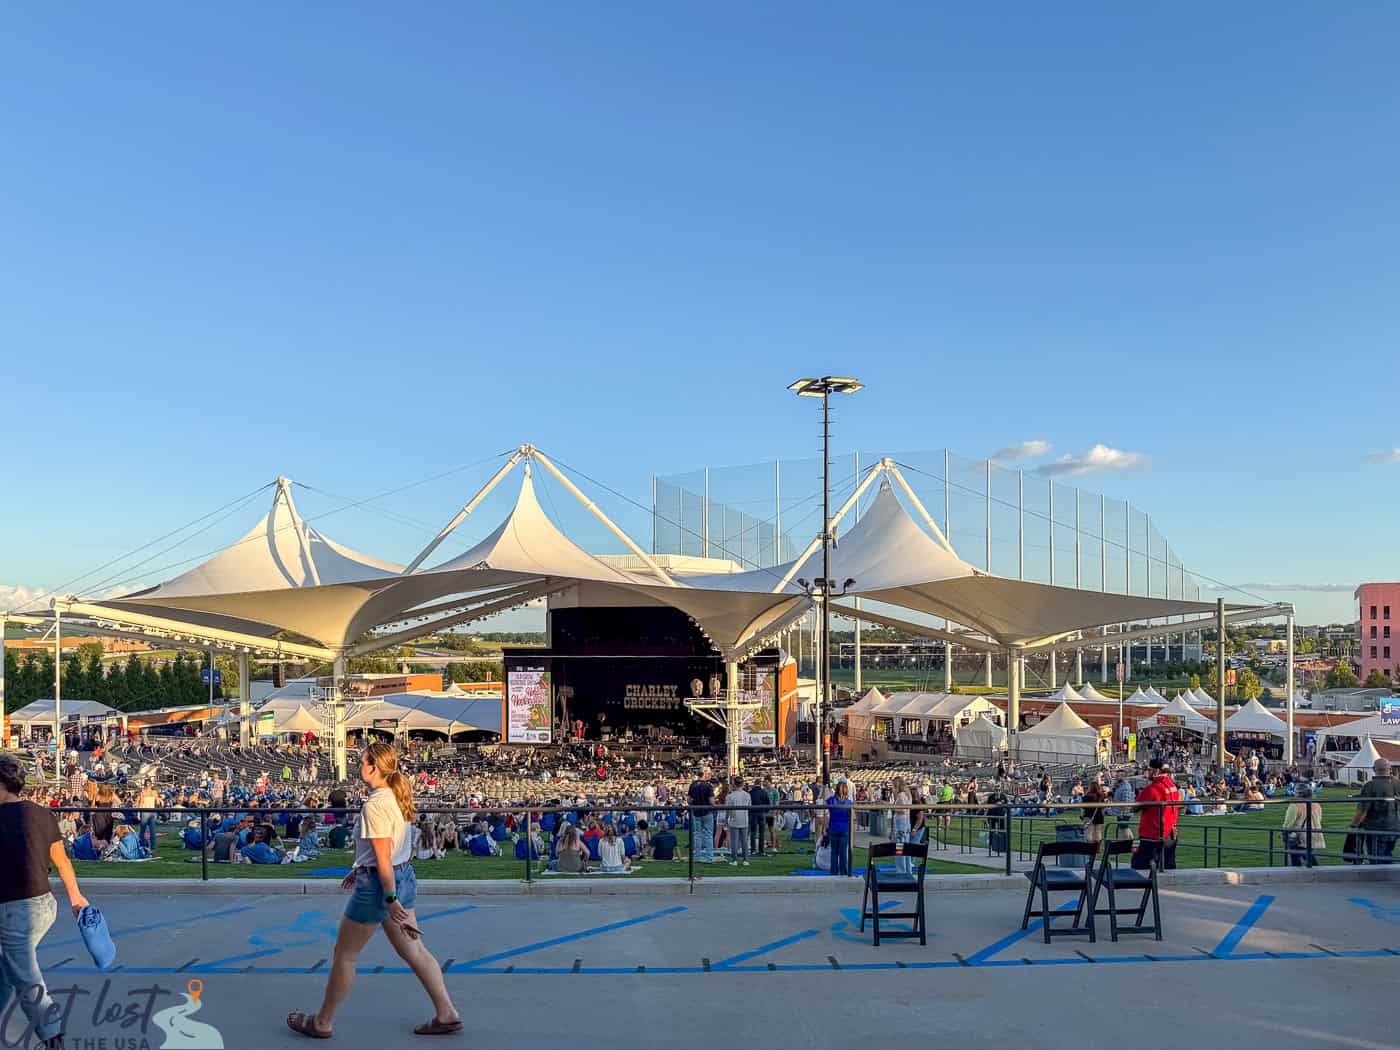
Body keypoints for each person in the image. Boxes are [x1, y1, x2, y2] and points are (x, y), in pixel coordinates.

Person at [288, 741, 461, 1039]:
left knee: (345, 954)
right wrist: (360, 869)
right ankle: (446, 1012)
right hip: (403, 875)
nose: (359, 766)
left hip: (382, 886)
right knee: (415, 950)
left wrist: (390, 899)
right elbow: (388, 851)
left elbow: (383, 858)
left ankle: (322, 1022)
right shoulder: (396, 795)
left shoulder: (375, 805)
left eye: (363, 761)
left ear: (373, 767)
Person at [0, 754, 89, 1050]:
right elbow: (62, 862)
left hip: (15, 909)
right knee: (7, 968)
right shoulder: (41, 813)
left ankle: (52, 1034)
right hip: (43, 905)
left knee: (24, 974)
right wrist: (76, 897)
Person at [1134, 758, 1180, 870]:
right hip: (1170, 832)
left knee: (1140, 866)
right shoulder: (1172, 786)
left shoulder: (1152, 789)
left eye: (1149, 770)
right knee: (1168, 865)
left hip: (1152, 834)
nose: (1147, 773)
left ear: (1156, 771)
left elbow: (1135, 807)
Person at [1351, 758, 1400, 864]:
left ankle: (1381, 879)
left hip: (1375, 828)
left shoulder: (1370, 786)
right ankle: (1388, 878)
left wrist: (1354, 826)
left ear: (1374, 769)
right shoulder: (1397, 783)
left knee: (1376, 859)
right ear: (1390, 769)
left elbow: (1362, 810)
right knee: (1387, 856)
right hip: (1394, 827)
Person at [1282, 783, 1324, 867]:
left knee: (1296, 859)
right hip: (1313, 833)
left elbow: (1288, 823)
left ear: (1298, 793)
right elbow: (1319, 819)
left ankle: (1298, 876)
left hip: (1299, 836)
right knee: (1309, 856)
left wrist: (1284, 832)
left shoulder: (1295, 805)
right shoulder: (1316, 804)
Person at [688, 769, 716, 864]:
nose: (709, 775)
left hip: (696, 811)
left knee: (697, 835)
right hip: (707, 811)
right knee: (708, 835)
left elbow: (688, 800)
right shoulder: (708, 786)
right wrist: (715, 806)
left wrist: (694, 803)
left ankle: (697, 857)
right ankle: (709, 858)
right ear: (704, 775)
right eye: (707, 774)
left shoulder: (692, 785)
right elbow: (711, 801)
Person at [826, 780, 853, 877]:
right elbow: (853, 817)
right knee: (843, 853)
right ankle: (843, 872)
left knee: (834, 852)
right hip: (844, 829)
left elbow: (826, 811)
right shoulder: (849, 803)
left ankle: (833, 873)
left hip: (833, 828)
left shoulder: (831, 800)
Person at [726, 776, 751, 867]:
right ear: (743, 784)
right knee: (744, 841)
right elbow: (749, 806)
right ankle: (745, 860)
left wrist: (726, 819)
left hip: (734, 819)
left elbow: (728, 810)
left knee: (734, 841)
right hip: (744, 819)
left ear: (734, 784)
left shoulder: (730, 796)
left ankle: (734, 860)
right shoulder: (747, 795)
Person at [891, 777, 913, 874]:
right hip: (905, 822)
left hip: (901, 823)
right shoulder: (907, 795)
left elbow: (903, 809)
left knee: (900, 847)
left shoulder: (901, 795)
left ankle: (901, 871)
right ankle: (907, 870)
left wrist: (892, 807)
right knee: (906, 847)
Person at [135, 779, 161, 851]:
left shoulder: (143, 792)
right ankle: (153, 846)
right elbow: (158, 803)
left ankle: (141, 844)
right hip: (151, 811)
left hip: (146, 812)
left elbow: (140, 804)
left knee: (143, 830)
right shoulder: (153, 792)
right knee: (152, 830)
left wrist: (138, 813)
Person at [1082, 773, 1108, 844]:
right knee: (1098, 831)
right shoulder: (1101, 795)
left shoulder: (1087, 796)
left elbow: (1083, 806)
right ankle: (1097, 848)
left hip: (1089, 814)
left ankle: (1090, 848)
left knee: (1090, 832)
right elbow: (1103, 806)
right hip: (1099, 814)